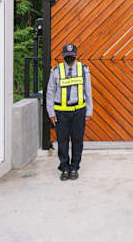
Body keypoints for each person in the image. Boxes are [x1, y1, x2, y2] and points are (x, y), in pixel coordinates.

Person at [46, 43, 92, 180]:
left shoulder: (83, 69)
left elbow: (88, 91)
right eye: (67, 56)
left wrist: (89, 110)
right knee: (62, 141)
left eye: (71, 56)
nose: (69, 58)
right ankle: (64, 168)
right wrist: (51, 112)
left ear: (75, 55)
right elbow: (50, 92)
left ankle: (74, 168)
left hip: (79, 111)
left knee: (78, 141)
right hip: (61, 113)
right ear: (63, 56)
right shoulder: (56, 71)